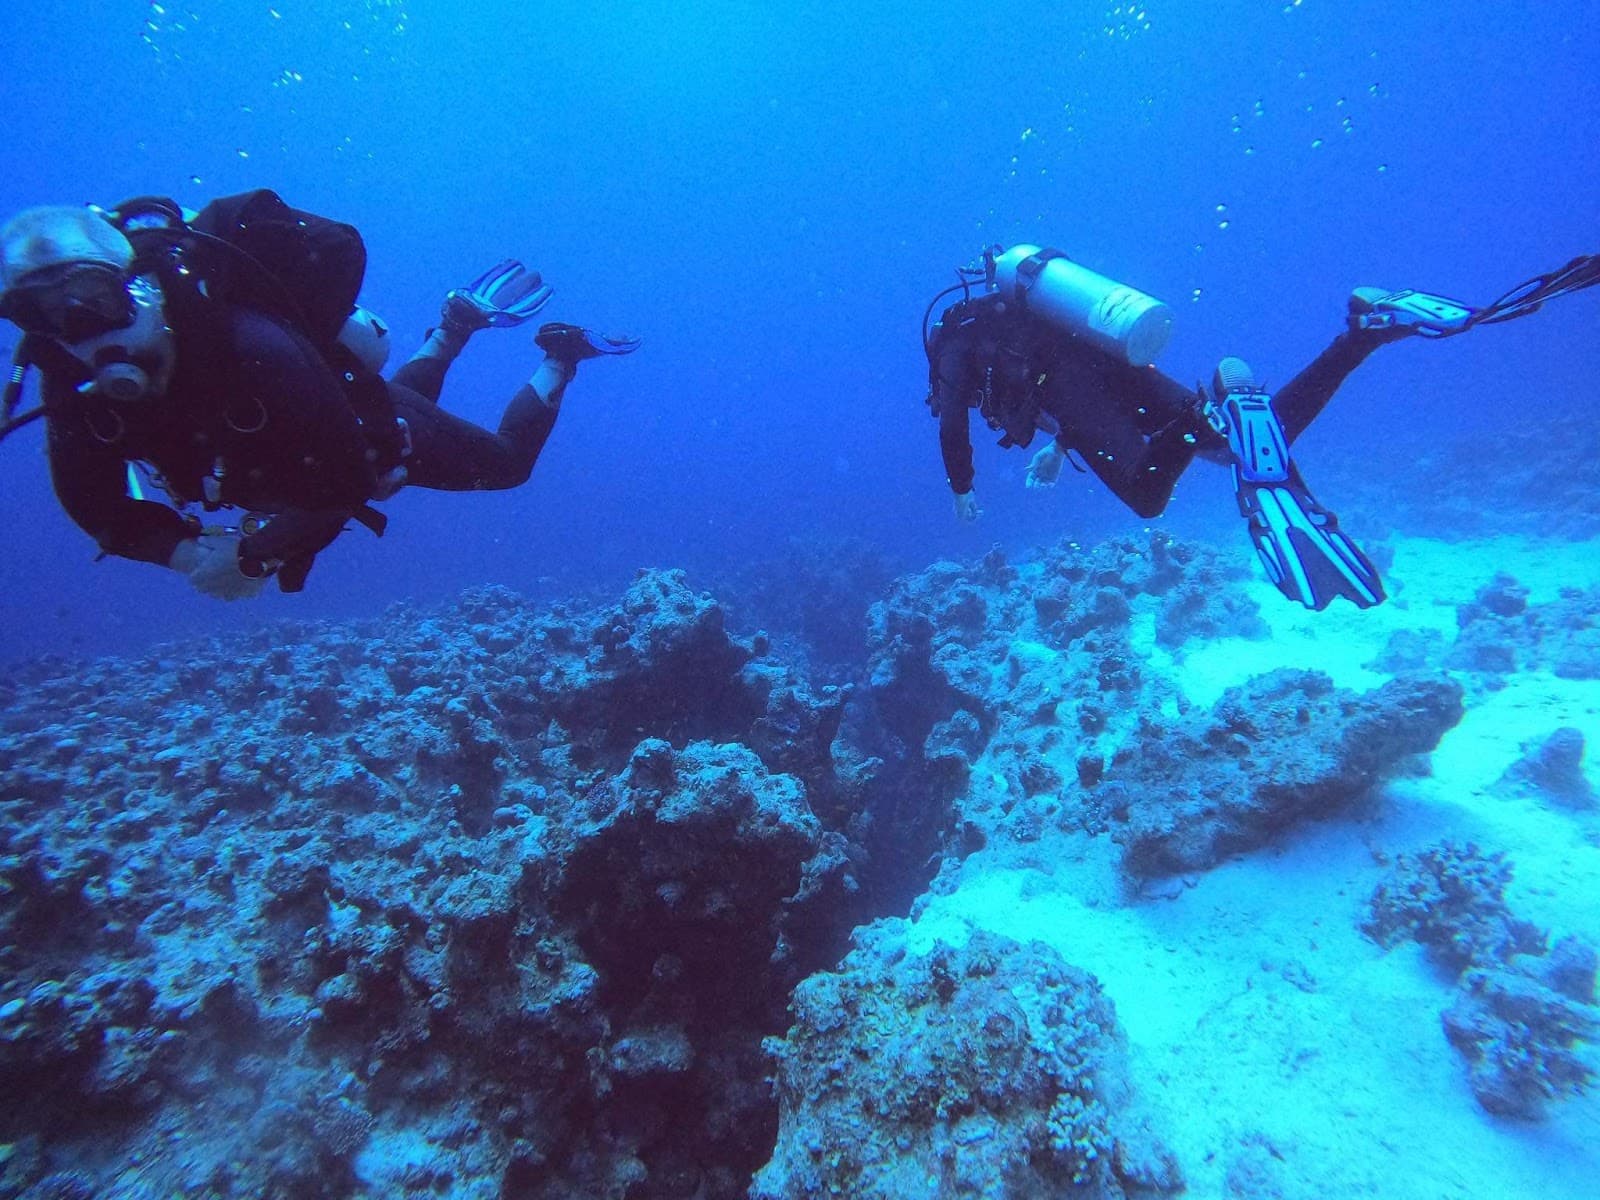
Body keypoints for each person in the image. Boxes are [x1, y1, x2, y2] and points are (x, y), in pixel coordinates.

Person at [0, 192, 639, 599]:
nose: (82, 331)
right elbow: (97, 507)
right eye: (45, 315)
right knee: (397, 400)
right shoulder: (73, 384)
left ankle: (560, 354)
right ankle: (452, 328)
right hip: (305, 442)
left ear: (136, 286)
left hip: (352, 436)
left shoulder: (249, 345)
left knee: (505, 465)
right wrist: (187, 554)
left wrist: (254, 556)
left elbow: (344, 478)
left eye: (94, 299)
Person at [925, 244, 1513, 611]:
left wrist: (961, 487)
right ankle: (1361, 333)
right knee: (1241, 447)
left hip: (1078, 391)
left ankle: (1191, 421)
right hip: (1120, 367)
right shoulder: (1020, 317)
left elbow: (954, 417)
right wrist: (1060, 442)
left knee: (1147, 496)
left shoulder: (952, 342)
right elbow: (1051, 368)